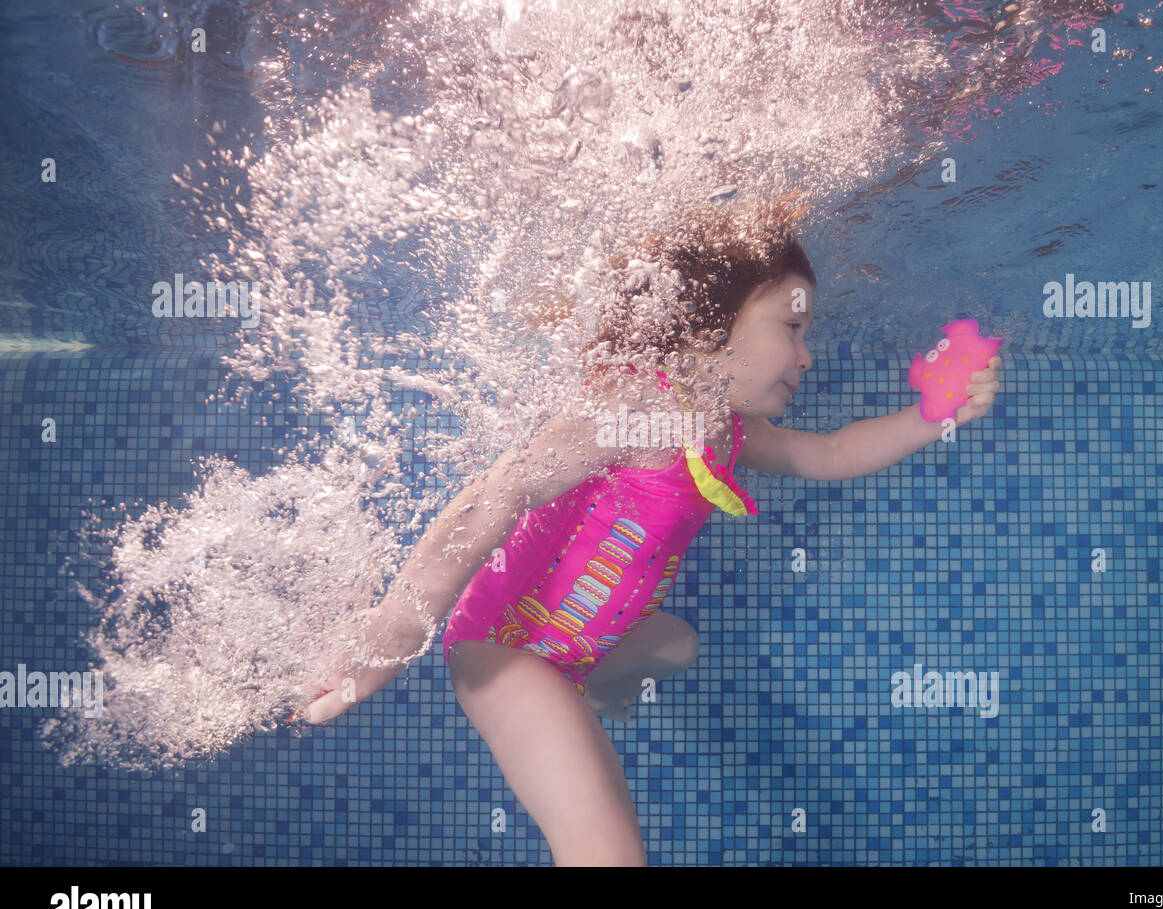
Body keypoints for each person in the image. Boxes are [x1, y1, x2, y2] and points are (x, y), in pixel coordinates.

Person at [299, 193, 1003, 865]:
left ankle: (598, 690)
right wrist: (390, 635)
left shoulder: (725, 429)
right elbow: (494, 497)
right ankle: (580, 695)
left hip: (580, 651)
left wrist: (933, 415)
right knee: (609, 857)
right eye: (792, 327)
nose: (807, 355)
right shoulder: (636, 406)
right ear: (705, 326)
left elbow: (831, 453)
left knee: (679, 643)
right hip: (507, 649)